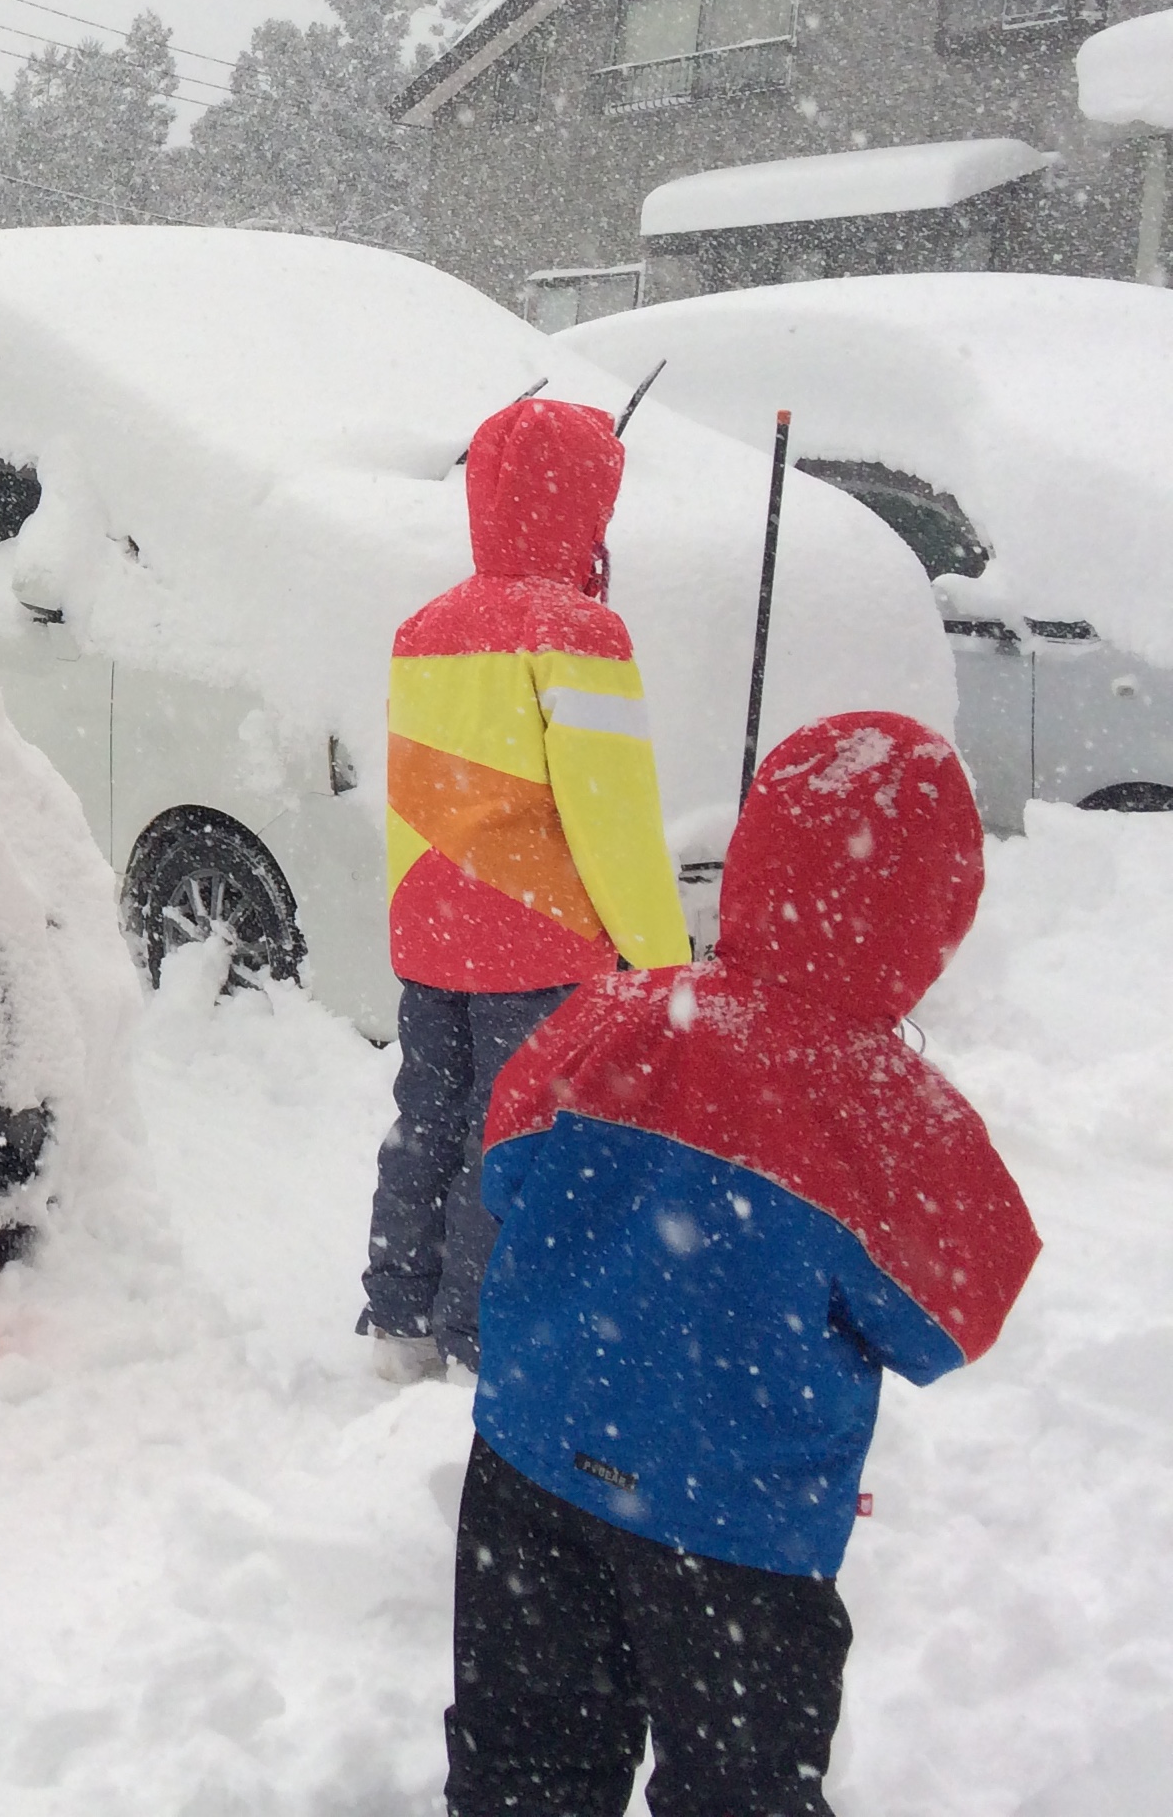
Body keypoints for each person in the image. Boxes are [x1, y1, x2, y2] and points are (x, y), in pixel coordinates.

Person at [446, 711, 1037, 1815]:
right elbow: (956, 1317)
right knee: (740, 1793)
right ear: (937, 917)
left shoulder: (618, 1015)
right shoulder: (892, 1121)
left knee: (521, 1771)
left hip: (533, 1469)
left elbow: (507, 1164)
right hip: (736, 1540)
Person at [361, 394, 693, 1375]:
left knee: (426, 1118)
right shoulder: (582, 633)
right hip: (537, 943)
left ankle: (399, 1313)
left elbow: (417, 793)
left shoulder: (425, 628)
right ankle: (482, 1331)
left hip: (433, 937)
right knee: (507, 1140)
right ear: (585, 504)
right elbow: (613, 820)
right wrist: (662, 957)